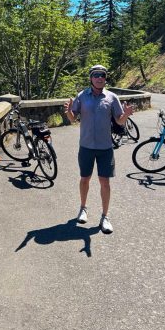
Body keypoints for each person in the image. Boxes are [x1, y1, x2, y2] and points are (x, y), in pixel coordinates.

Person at [63, 65, 134, 234]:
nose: (99, 78)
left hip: (105, 148)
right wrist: (67, 112)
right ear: (91, 78)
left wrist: (126, 114)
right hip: (86, 146)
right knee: (84, 179)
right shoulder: (82, 96)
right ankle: (83, 208)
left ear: (105, 78)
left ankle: (105, 216)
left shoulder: (112, 97)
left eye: (102, 75)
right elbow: (73, 118)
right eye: (96, 75)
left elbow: (119, 121)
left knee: (105, 182)